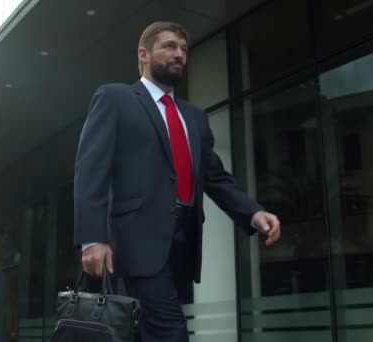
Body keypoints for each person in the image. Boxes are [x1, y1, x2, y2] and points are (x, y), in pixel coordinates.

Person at [74, 21, 281, 342]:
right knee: (170, 332)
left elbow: (214, 176)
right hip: (136, 243)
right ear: (143, 54)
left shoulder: (194, 116)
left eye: (184, 49)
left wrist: (253, 213)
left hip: (183, 247)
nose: (179, 54)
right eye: (169, 46)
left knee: (148, 332)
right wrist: (92, 238)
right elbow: (91, 170)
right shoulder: (116, 98)